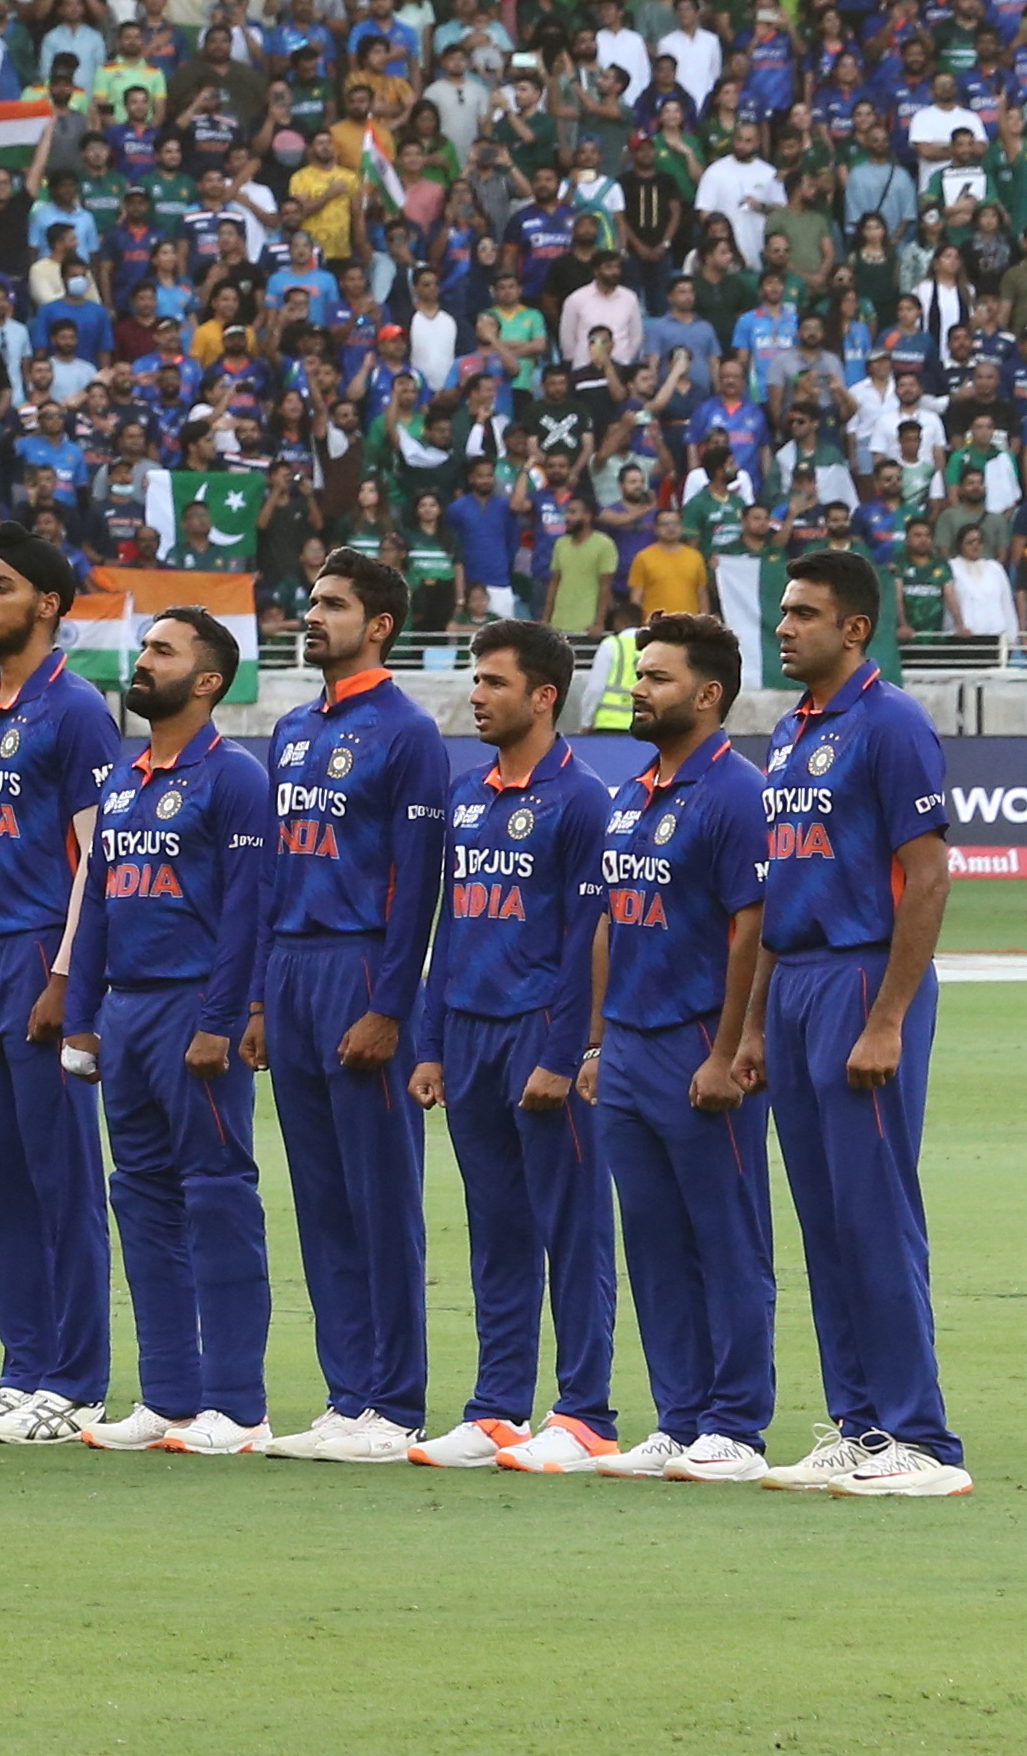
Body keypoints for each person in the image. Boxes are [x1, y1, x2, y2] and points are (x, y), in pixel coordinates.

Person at [742, 550, 967, 1496]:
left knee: (874, 1211)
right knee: (825, 1216)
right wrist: (751, 1027)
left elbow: (926, 875)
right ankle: (860, 1423)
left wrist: (887, 1017)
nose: (784, 625)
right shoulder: (790, 732)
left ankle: (922, 1437)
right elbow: (773, 889)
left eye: (802, 613)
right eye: (783, 611)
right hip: (793, 985)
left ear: (854, 629)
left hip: (859, 981)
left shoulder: (891, 723)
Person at [62, 606, 278, 1453]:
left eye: (161, 650)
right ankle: (168, 1396)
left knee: (218, 1195)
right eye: (144, 647)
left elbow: (245, 911)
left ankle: (238, 1405)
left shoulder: (234, 777)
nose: (142, 660)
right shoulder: (122, 778)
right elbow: (101, 906)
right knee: (140, 1195)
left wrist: (220, 1019)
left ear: (209, 678)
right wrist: (82, 1018)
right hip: (124, 1008)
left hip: (192, 1008)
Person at [405, 618, 618, 1471]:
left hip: (538, 1036)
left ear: (542, 695)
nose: (475, 694)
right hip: (466, 1032)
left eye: (492, 681)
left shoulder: (582, 799)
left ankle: (584, 1411)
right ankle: (496, 1408)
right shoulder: (464, 794)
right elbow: (448, 925)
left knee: (571, 1228)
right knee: (494, 1228)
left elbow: (583, 940)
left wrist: (564, 1054)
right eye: (475, 679)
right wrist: (428, 1041)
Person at [579, 612, 779, 1483]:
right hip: (626, 1045)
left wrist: (727, 1047)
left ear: (705, 694)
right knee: (652, 1237)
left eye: (655, 677)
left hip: (699, 1039)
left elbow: (753, 929)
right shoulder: (632, 792)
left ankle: (735, 1421)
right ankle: (678, 1414)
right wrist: (593, 1040)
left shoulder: (736, 792)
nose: (637, 687)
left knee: (726, 1237)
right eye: (637, 674)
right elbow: (607, 922)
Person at [0, 530, 122, 1444]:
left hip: (39, 956)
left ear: (46, 604)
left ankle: (76, 1380)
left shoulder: (77, 709)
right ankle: (21, 1369)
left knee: (61, 1178)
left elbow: (98, 854)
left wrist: (63, 977)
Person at [258, 553, 447, 1465]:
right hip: (289, 968)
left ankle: (394, 1400)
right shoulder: (292, 726)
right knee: (319, 1194)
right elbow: (271, 872)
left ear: (377, 623)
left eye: (330, 604)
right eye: (310, 602)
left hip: (358, 967)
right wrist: (258, 993)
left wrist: (388, 1000)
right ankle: (345, 1393)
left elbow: (418, 881)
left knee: (379, 1195)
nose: (311, 615)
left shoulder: (406, 732)